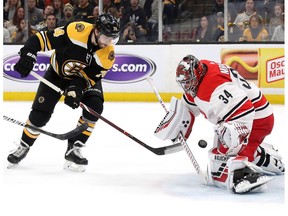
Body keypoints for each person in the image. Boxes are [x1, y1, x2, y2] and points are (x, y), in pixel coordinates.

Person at [154, 55, 285, 194]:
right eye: (184, 83)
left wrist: (234, 141)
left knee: (222, 157)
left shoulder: (216, 88)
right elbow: (191, 101)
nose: (187, 87)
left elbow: (244, 111)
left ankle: (240, 175)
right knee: (231, 143)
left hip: (257, 120)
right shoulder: (202, 69)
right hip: (250, 114)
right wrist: (178, 123)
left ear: (197, 76)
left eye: (189, 82)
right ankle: (268, 159)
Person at [7, 14, 120, 172]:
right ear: (96, 30)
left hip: (82, 80)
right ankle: (24, 145)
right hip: (57, 74)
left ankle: (74, 148)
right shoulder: (76, 31)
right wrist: (29, 54)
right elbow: (42, 39)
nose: (109, 42)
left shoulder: (108, 55)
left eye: (113, 39)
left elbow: (88, 78)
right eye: (106, 37)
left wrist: (75, 89)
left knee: (94, 108)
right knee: (40, 115)